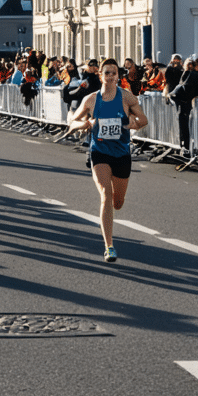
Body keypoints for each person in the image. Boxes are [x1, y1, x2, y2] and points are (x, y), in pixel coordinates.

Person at [68, 58, 148, 263]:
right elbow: (72, 123)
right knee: (105, 195)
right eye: (107, 73)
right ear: (100, 75)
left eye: (114, 73)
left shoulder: (126, 97)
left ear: (118, 76)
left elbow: (143, 120)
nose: (110, 76)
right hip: (99, 152)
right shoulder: (91, 100)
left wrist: (132, 124)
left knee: (117, 202)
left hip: (121, 153)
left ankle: (113, 209)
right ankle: (109, 246)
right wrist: (86, 123)